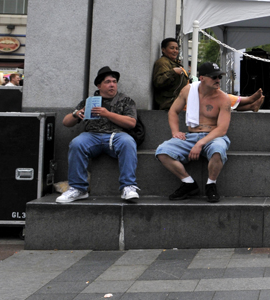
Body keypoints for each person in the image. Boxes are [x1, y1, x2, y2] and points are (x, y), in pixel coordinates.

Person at [56, 66, 139, 203]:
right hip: (92, 135)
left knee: (128, 142)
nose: (112, 85)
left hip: (116, 136)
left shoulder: (126, 100)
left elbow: (131, 123)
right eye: (107, 82)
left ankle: (128, 187)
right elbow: (66, 122)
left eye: (114, 82)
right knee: (77, 143)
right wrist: (76, 114)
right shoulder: (89, 101)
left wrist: (107, 114)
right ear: (99, 85)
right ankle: (78, 189)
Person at [155, 62, 231, 203]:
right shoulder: (188, 91)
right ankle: (188, 183)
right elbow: (173, 111)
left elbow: (222, 129)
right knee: (162, 151)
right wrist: (175, 132)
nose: (218, 80)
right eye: (214, 77)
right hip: (190, 136)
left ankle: (211, 185)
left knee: (218, 150)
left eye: (219, 77)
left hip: (214, 136)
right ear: (202, 78)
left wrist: (200, 143)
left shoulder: (223, 98)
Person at [152, 38, 190, 111]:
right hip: (169, 106)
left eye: (177, 49)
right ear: (163, 49)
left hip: (177, 104)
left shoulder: (173, 63)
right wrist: (173, 72)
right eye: (172, 48)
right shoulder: (162, 62)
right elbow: (159, 82)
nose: (175, 51)